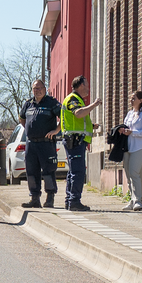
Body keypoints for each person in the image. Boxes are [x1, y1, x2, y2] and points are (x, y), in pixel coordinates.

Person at [61, 76, 102, 211]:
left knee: (73, 171)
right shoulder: (73, 99)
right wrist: (94, 105)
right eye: (87, 85)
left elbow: (78, 121)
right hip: (75, 141)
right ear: (80, 85)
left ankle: (70, 200)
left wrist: (92, 125)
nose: (88, 88)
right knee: (78, 172)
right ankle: (74, 201)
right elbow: (78, 114)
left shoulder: (77, 99)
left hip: (75, 140)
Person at [18, 80, 61, 209]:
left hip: (46, 143)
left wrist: (56, 131)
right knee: (31, 172)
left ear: (45, 88)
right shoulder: (28, 103)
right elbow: (22, 118)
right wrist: (29, 128)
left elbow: (64, 118)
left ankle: (50, 198)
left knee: (48, 172)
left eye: (40, 88)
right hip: (31, 143)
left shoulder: (51, 102)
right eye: (35, 89)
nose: (37, 91)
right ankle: (34, 198)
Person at [120, 90, 142, 212]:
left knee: (134, 173)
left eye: (134, 98)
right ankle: (132, 200)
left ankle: (138, 201)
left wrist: (132, 132)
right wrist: (122, 130)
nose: (131, 100)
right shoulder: (129, 114)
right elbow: (125, 127)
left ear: (141, 100)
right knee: (129, 175)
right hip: (128, 147)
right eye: (131, 98)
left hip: (140, 147)